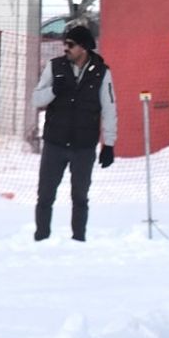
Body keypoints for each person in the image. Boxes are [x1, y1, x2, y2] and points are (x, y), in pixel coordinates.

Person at [32, 25, 116, 242]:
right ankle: (41, 238)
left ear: (84, 47)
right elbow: (36, 100)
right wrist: (53, 90)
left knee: (80, 196)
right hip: (55, 143)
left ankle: (79, 239)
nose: (65, 48)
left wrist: (109, 144)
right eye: (65, 44)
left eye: (70, 44)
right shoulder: (54, 67)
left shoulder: (102, 72)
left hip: (84, 146)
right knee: (45, 195)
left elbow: (109, 109)